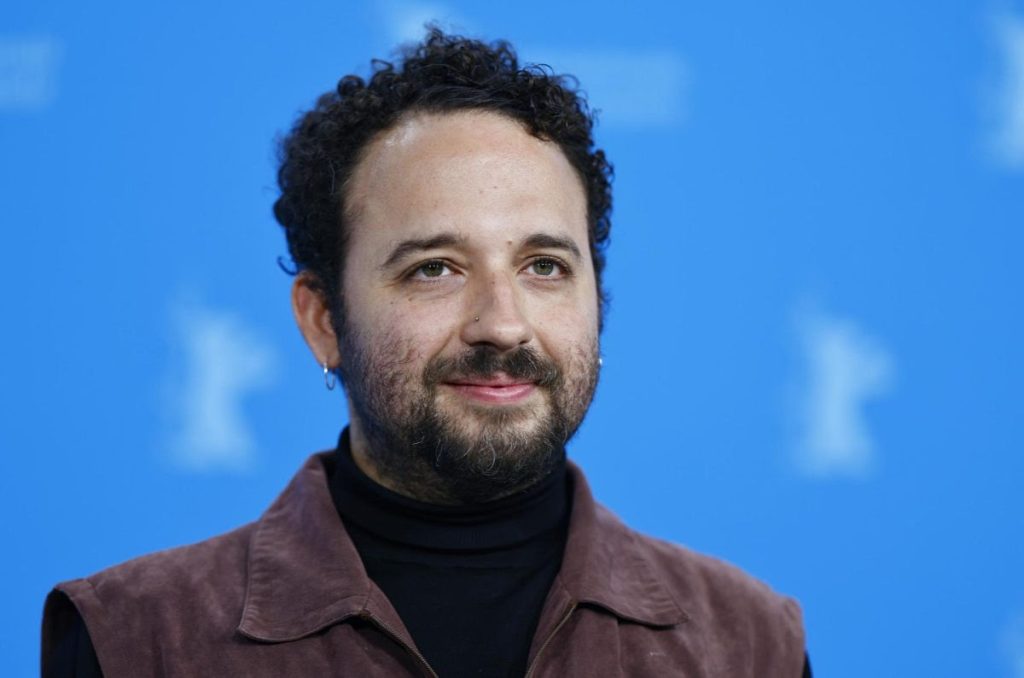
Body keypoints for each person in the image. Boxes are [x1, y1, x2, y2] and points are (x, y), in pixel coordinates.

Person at [42, 29, 810, 677]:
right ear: (323, 319)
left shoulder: (748, 644)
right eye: (435, 269)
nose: (502, 326)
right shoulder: (135, 638)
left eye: (545, 266)